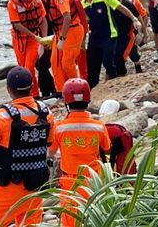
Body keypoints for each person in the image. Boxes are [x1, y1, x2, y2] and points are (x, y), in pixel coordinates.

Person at [0, 66, 55, 227]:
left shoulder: (2, 116)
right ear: (32, 87)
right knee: (30, 223)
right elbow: (49, 142)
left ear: (8, 89)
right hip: (34, 184)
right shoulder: (45, 112)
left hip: (7, 186)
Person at [49, 78, 111, 227]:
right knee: (96, 217)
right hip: (94, 180)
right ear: (88, 100)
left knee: (70, 219)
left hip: (70, 181)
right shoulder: (99, 127)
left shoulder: (59, 128)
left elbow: (50, 152)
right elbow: (107, 150)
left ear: (66, 102)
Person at [79, 0, 142, 88]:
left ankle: (114, 84)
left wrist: (134, 19)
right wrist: (83, 40)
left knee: (108, 61)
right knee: (92, 64)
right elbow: (84, 22)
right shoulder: (82, 4)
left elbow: (120, 7)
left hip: (109, 34)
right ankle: (92, 88)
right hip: (94, 36)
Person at [31, 0, 87, 97]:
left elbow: (67, 17)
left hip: (72, 31)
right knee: (55, 62)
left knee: (67, 63)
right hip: (60, 32)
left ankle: (77, 87)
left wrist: (62, 38)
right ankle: (60, 90)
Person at [7, 0, 49, 98]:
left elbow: (43, 20)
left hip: (33, 39)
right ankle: (29, 94)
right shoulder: (12, 4)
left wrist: (44, 38)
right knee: (22, 67)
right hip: (19, 40)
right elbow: (17, 24)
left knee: (29, 67)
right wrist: (35, 36)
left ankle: (34, 95)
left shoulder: (36, 1)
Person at [110, 0, 144, 77]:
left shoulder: (130, 3)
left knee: (125, 55)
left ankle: (128, 72)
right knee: (115, 57)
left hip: (128, 34)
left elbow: (140, 18)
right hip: (115, 34)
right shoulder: (107, 4)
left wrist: (141, 33)